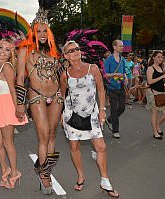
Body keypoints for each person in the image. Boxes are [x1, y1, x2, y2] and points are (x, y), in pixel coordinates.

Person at [15, 6, 64, 195]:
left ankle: (46, 170)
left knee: (52, 135)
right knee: (43, 135)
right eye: (39, 31)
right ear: (33, 32)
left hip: (57, 95)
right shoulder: (25, 50)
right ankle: (44, 175)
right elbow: (20, 78)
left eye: (45, 30)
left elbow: (61, 76)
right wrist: (20, 103)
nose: (42, 34)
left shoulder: (54, 51)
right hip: (36, 95)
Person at [60, 41, 119, 198]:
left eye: (77, 49)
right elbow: (62, 95)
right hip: (72, 116)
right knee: (74, 147)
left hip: (92, 114)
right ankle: (81, 175)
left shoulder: (92, 68)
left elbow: (101, 88)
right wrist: (61, 113)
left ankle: (105, 181)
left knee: (101, 147)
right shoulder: (65, 74)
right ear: (65, 56)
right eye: (71, 50)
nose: (76, 52)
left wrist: (102, 110)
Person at [0, 39, 28, 189]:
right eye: (1, 48)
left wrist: (18, 107)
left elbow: (13, 89)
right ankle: (5, 170)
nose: (2, 51)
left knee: (7, 142)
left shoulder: (7, 66)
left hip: (7, 105)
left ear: (11, 53)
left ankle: (14, 173)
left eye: (7, 50)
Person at [104, 40, 128, 139]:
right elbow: (105, 74)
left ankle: (110, 119)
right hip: (112, 87)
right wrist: (115, 74)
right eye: (120, 46)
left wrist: (125, 77)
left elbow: (123, 71)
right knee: (114, 108)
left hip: (121, 86)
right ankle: (115, 130)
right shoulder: (108, 60)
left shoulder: (123, 59)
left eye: (122, 46)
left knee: (122, 107)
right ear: (114, 47)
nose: (122, 48)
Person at [145, 51, 165, 139]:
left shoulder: (161, 67)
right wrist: (161, 77)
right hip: (153, 92)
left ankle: (157, 125)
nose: (161, 58)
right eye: (159, 57)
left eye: (161, 57)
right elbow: (150, 82)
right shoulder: (150, 68)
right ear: (154, 58)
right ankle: (155, 132)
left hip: (161, 92)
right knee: (155, 113)